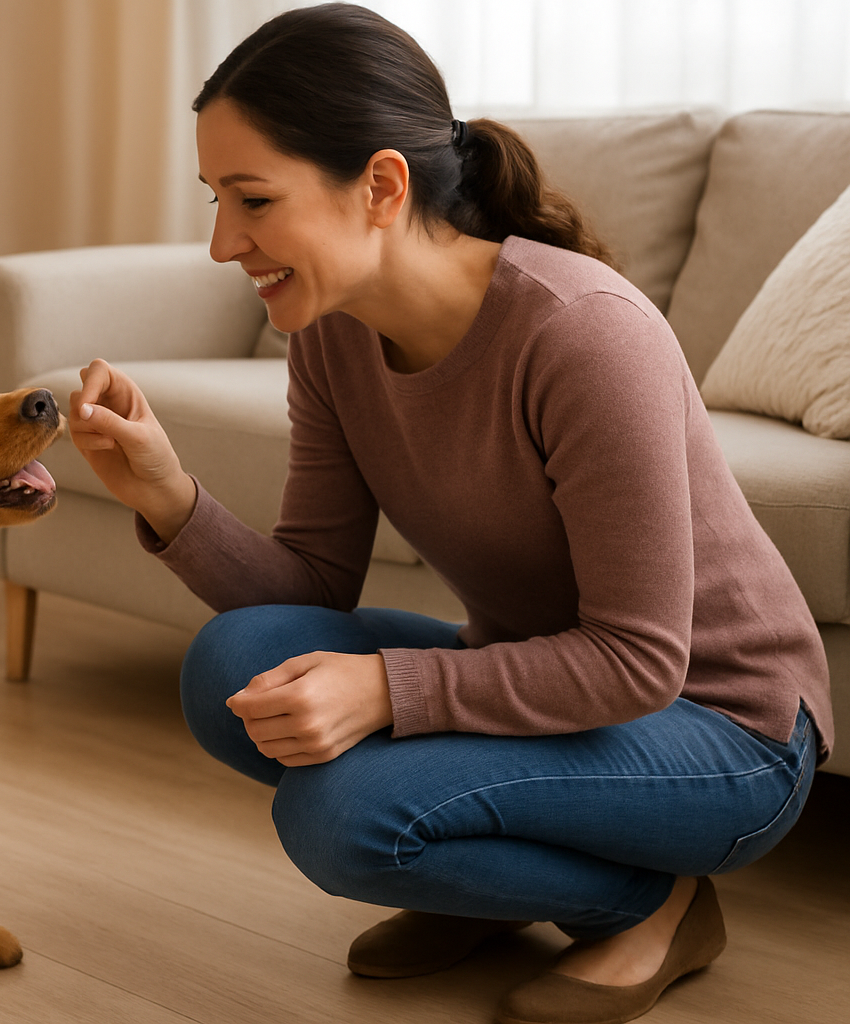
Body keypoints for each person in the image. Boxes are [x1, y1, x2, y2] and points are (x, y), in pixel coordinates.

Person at [65, 5, 833, 1024]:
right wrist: (166, 491)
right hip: (567, 694)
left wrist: (388, 687)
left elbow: (641, 661)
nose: (221, 243)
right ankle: (481, 877)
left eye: (252, 199)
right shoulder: (335, 340)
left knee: (343, 818)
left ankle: (657, 904)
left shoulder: (581, 334)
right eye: (216, 199)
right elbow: (312, 587)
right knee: (233, 664)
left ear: (380, 185)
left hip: (722, 732)